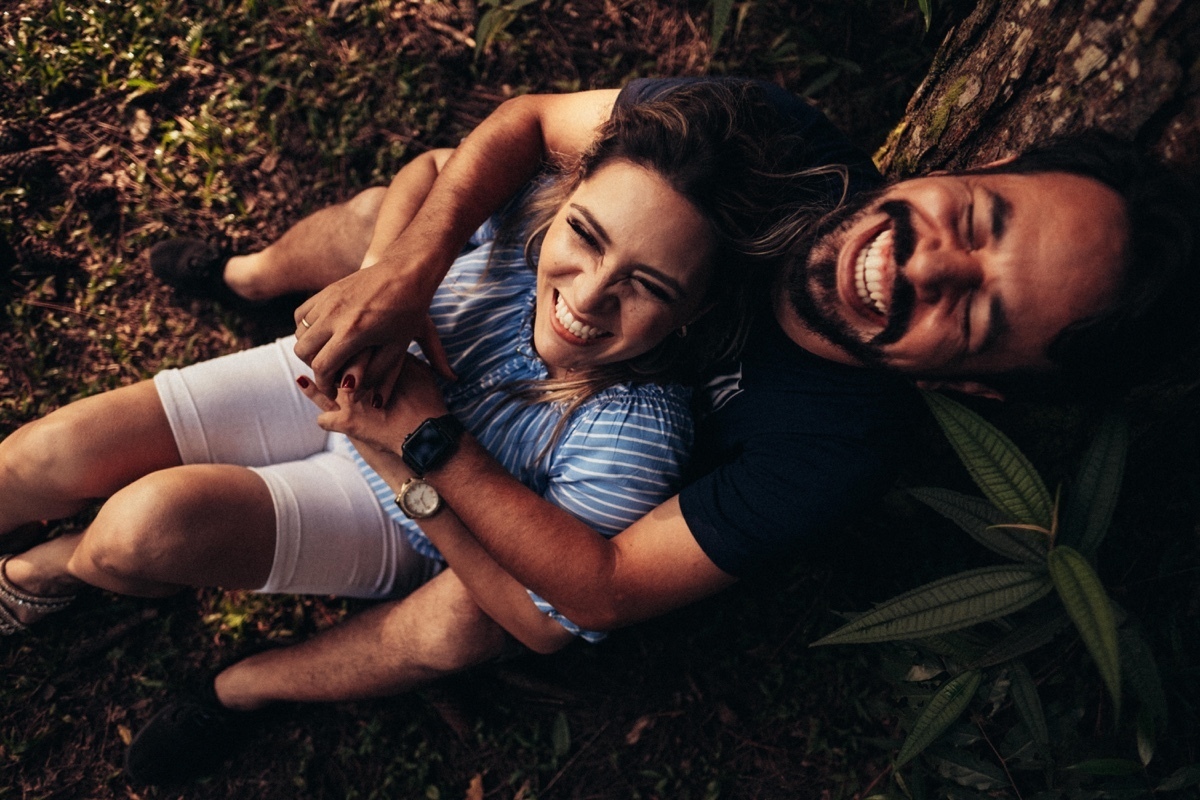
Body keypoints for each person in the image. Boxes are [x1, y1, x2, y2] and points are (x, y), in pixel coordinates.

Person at [134, 77, 1200, 782]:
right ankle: (249, 273)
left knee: (468, 625)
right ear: (971, 167)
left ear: (981, 391)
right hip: (508, 320)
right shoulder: (783, 143)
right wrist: (404, 278)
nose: (917, 263)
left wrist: (425, 437)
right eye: (972, 216)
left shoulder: (837, 451)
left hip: (553, 473)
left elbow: (600, 586)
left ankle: (239, 688)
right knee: (390, 209)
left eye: (972, 311)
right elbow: (525, 123)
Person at [0, 82, 828, 771]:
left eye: (646, 283)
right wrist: (382, 288)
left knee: (140, 532)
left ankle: (111, 604)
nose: (588, 294)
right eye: (584, 235)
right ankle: (241, 275)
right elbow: (430, 168)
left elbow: (542, 616)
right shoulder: (530, 203)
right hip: (337, 373)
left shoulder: (638, 433)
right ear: (568, 194)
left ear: (698, 311)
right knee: (42, 456)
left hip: (399, 514)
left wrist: (405, 462)